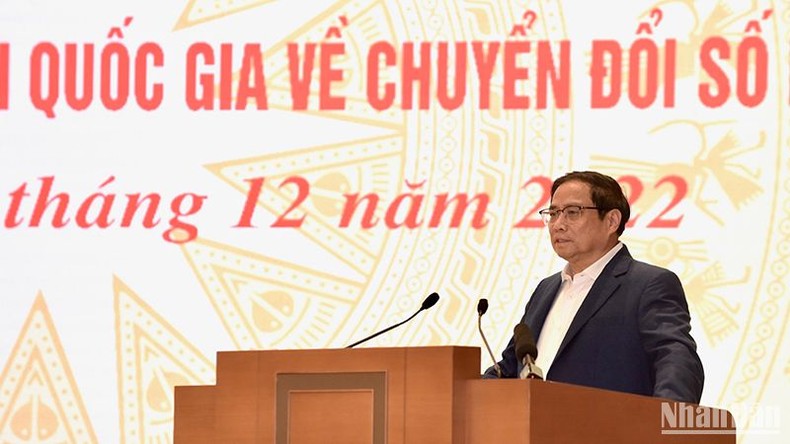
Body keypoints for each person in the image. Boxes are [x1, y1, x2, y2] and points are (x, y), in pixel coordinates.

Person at [484, 171, 704, 403]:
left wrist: (665, 420)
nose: (558, 225)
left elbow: (676, 359)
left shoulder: (648, 284)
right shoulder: (545, 289)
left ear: (611, 221)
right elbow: (510, 367)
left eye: (572, 212)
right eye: (553, 213)